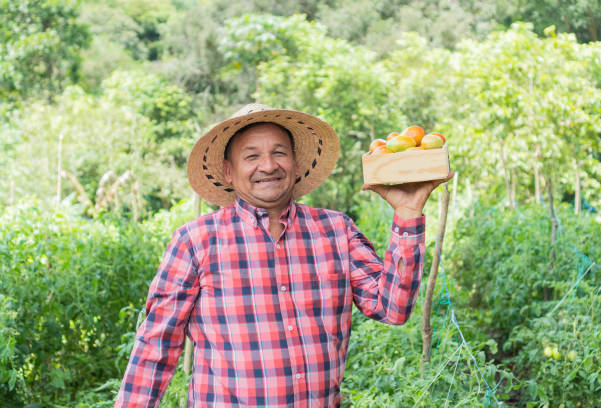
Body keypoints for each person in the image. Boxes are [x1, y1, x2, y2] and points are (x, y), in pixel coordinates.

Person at [115, 104, 453, 407]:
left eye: (279, 153)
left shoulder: (336, 230)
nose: (268, 165)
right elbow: (155, 348)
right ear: (229, 172)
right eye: (251, 156)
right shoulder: (196, 241)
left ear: (294, 163)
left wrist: (408, 213)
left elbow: (392, 308)